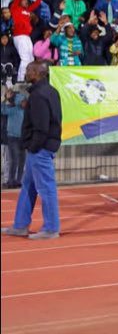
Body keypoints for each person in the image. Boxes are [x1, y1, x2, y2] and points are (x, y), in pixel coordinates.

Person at [1, 61, 62, 239]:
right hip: (40, 148)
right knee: (28, 186)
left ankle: (51, 228)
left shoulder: (39, 95)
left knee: (46, 188)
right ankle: (20, 225)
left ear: (37, 73)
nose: (26, 72)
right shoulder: (49, 91)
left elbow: (41, 127)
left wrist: (33, 146)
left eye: (28, 70)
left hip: (40, 149)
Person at [2, 86, 28, 189]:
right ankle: (11, 181)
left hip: (23, 137)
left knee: (22, 160)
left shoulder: (25, 111)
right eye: (22, 102)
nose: (24, 103)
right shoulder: (12, 109)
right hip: (12, 137)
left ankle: (18, 181)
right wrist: (5, 99)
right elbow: (2, 110)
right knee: (14, 160)